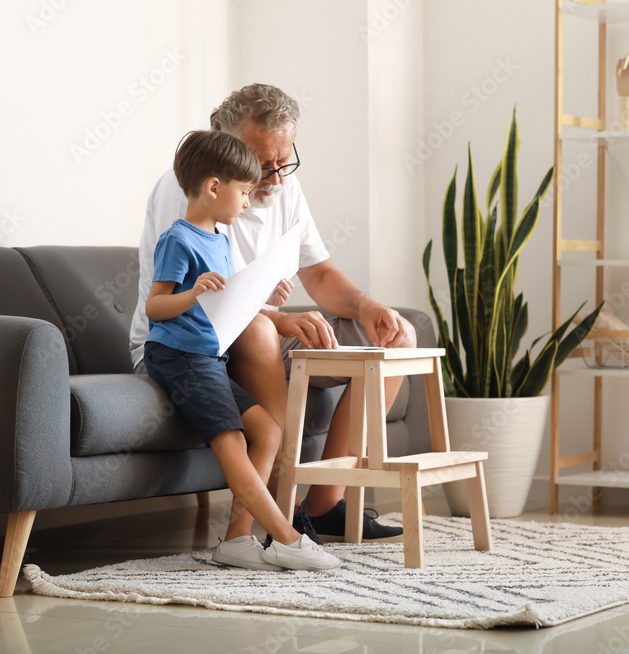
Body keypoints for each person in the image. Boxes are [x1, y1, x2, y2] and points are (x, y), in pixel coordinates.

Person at [131, 84, 417, 542]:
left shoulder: (286, 186)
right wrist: (277, 316)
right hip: (194, 337)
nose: (278, 179)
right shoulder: (185, 191)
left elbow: (318, 272)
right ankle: (282, 510)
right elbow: (198, 300)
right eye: (264, 167)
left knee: (399, 337)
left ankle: (323, 506)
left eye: (286, 161)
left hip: (256, 321)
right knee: (263, 329)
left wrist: (365, 306)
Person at [143, 129, 340, 571]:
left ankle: (235, 540)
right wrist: (192, 293)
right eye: (245, 193)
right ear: (215, 187)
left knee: (268, 431)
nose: (249, 203)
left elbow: (230, 301)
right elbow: (156, 307)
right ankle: (286, 538)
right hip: (179, 358)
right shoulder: (179, 240)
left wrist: (269, 294)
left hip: (210, 358)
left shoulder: (219, 239)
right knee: (232, 440)